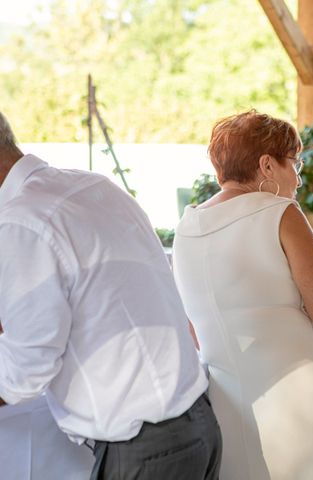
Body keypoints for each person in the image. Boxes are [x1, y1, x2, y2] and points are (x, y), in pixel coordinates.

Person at [0, 111, 222, 479]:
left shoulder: (21, 220)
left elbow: (26, 370)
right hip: (198, 423)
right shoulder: (93, 186)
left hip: (146, 448)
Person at [172, 110, 313, 480]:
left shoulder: (186, 229)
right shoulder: (280, 212)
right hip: (299, 400)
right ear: (267, 165)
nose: (299, 177)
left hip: (229, 402)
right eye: (295, 163)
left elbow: (194, 330)